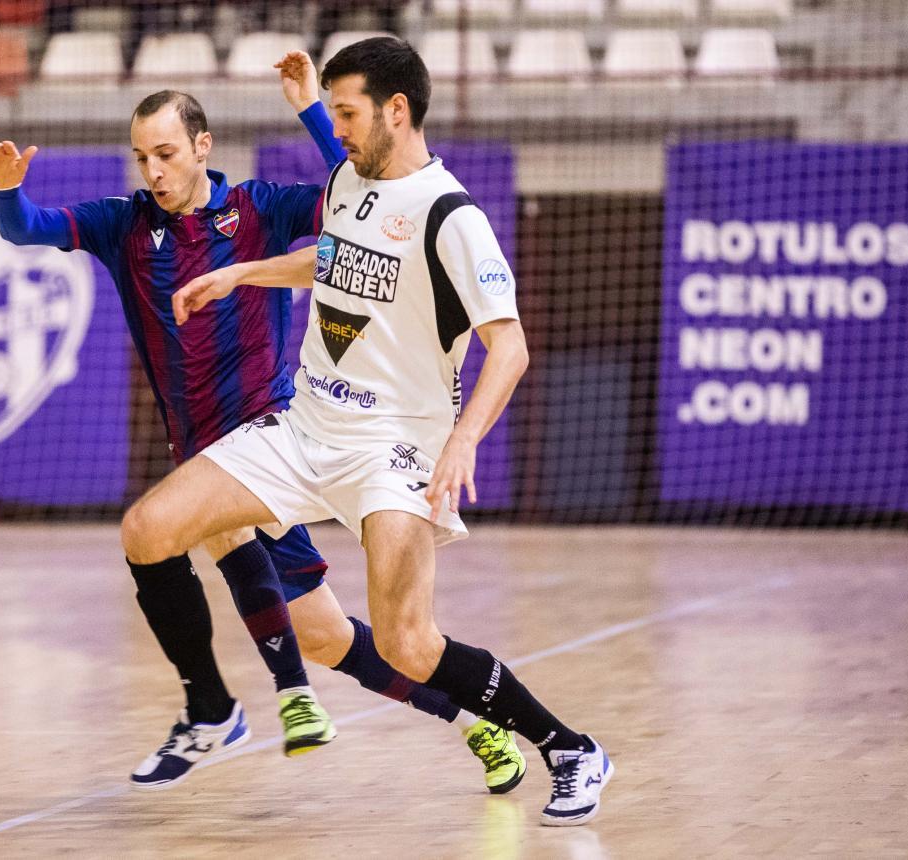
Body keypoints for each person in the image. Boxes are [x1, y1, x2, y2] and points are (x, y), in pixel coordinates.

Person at [0, 52, 526, 794]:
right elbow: (30, 230)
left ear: (202, 148)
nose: (155, 171)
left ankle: (257, 701)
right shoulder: (124, 226)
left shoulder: (261, 207)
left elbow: (362, 192)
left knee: (230, 542)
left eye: (167, 154)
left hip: (281, 441)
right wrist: (9, 196)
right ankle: (470, 722)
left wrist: (309, 108)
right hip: (212, 454)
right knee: (336, 638)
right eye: (142, 158)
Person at [152, 37, 613, 826]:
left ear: (396, 111)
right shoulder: (346, 180)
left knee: (409, 645)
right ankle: (213, 710)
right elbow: (328, 261)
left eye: (346, 114)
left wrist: (464, 438)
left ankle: (569, 747)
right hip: (305, 426)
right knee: (150, 528)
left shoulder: (452, 217)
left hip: (393, 450)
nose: (335, 130)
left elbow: (512, 345)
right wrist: (242, 272)